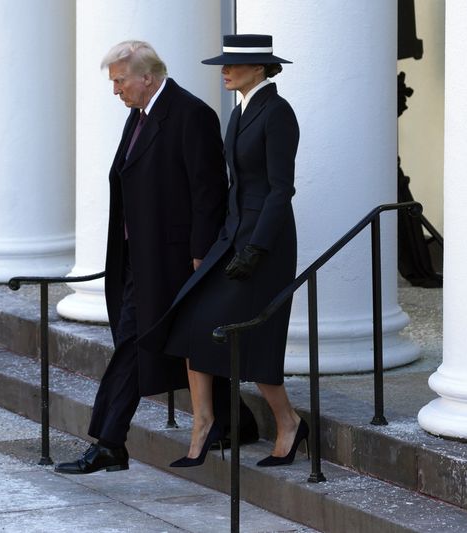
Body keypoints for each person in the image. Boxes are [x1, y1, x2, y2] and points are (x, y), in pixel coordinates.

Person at [56, 40, 256, 475]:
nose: (116, 90)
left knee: (136, 343)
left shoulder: (191, 114)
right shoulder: (140, 114)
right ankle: (236, 421)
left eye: (120, 81)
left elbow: (208, 191)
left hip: (173, 260)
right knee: (173, 340)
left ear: (147, 77)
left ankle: (109, 443)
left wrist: (200, 256)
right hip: (136, 256)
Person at [140, 34, 305, 468]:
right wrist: (219, 238)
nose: (224, 71)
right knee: (193, 322)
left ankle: (288, 422)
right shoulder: (239, 111)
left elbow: (280, 190)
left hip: (264, 245)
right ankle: (205, 422)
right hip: (231, 238)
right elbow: (235, 185)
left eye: (232, 65)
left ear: (260, 67)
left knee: (255, 336)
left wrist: (256, 247)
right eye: (224, 64)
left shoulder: (278, 112)